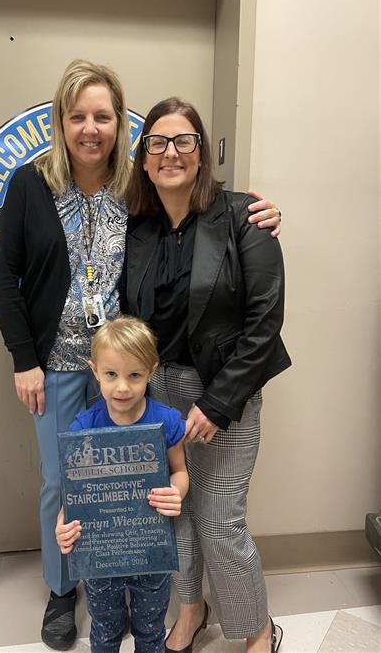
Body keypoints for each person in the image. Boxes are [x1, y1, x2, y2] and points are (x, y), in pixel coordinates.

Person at [0, 58, 282, 651]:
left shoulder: (139, 189)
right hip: (64, 363)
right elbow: (7, 276)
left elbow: (223, 261)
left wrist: (263, 214)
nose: (91, 127)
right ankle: (64, 588)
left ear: (122, 127)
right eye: (78, 116)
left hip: (135, 371)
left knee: (146, 482)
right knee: (64, 479)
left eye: (103, 116)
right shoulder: (30, 184)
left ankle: (141, 587)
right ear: (61, 121)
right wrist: (23, 357)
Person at [121, 98, 291, 653]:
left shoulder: (245, 216)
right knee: (177, 513)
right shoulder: (138, 230)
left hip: (224, 392)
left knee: (219, 521)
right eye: (158, 142)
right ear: (144, 158)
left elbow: (265, 321)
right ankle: (191, 610)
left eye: (184, 140)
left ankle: (260, 630)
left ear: (201, 153)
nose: (171, 152)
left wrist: (218, 405)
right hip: (160, 395)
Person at [56, 316, 188, 653]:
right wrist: (63, 525)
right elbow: (75, 494)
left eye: (134, 375)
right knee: (105, 631)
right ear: (95, 370)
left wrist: (177, 492)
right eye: (111, 374)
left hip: (150, 547)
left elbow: (180, 471)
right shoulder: (83, 427)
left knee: (150, 632)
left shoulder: (167, 421)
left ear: (151, 371)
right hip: (100, 555)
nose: (122, 387)